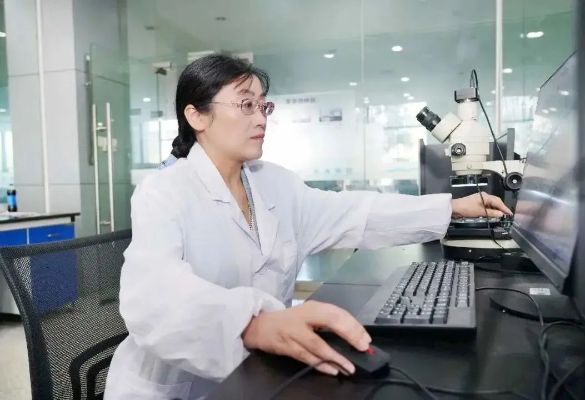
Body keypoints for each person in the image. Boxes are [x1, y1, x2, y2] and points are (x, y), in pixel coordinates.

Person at [105, 54, 512, 399]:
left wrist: (451, 208)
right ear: (196, 115)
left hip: (257, 374)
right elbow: (154, 295)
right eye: (245, 105)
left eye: (263, 106)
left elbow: (356, 212)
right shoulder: (164, 191)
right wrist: (251, 323)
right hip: (171, 388)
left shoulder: (274, 184)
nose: (260, 118)